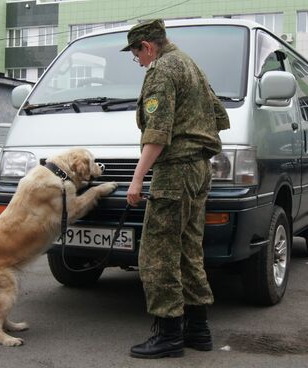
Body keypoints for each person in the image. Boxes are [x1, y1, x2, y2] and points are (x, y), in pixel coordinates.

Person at [121, 19, 230, 359]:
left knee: (158, 253)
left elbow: (157, 132)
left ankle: (168, 333)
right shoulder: (191, 65)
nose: (137, 60)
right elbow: (219, 116)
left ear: (148, 46)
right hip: (199, 169)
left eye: (136, 53)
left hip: (175, 171)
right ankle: (198, 329)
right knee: (188, 249)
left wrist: (137, 178)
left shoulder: (163, 69)